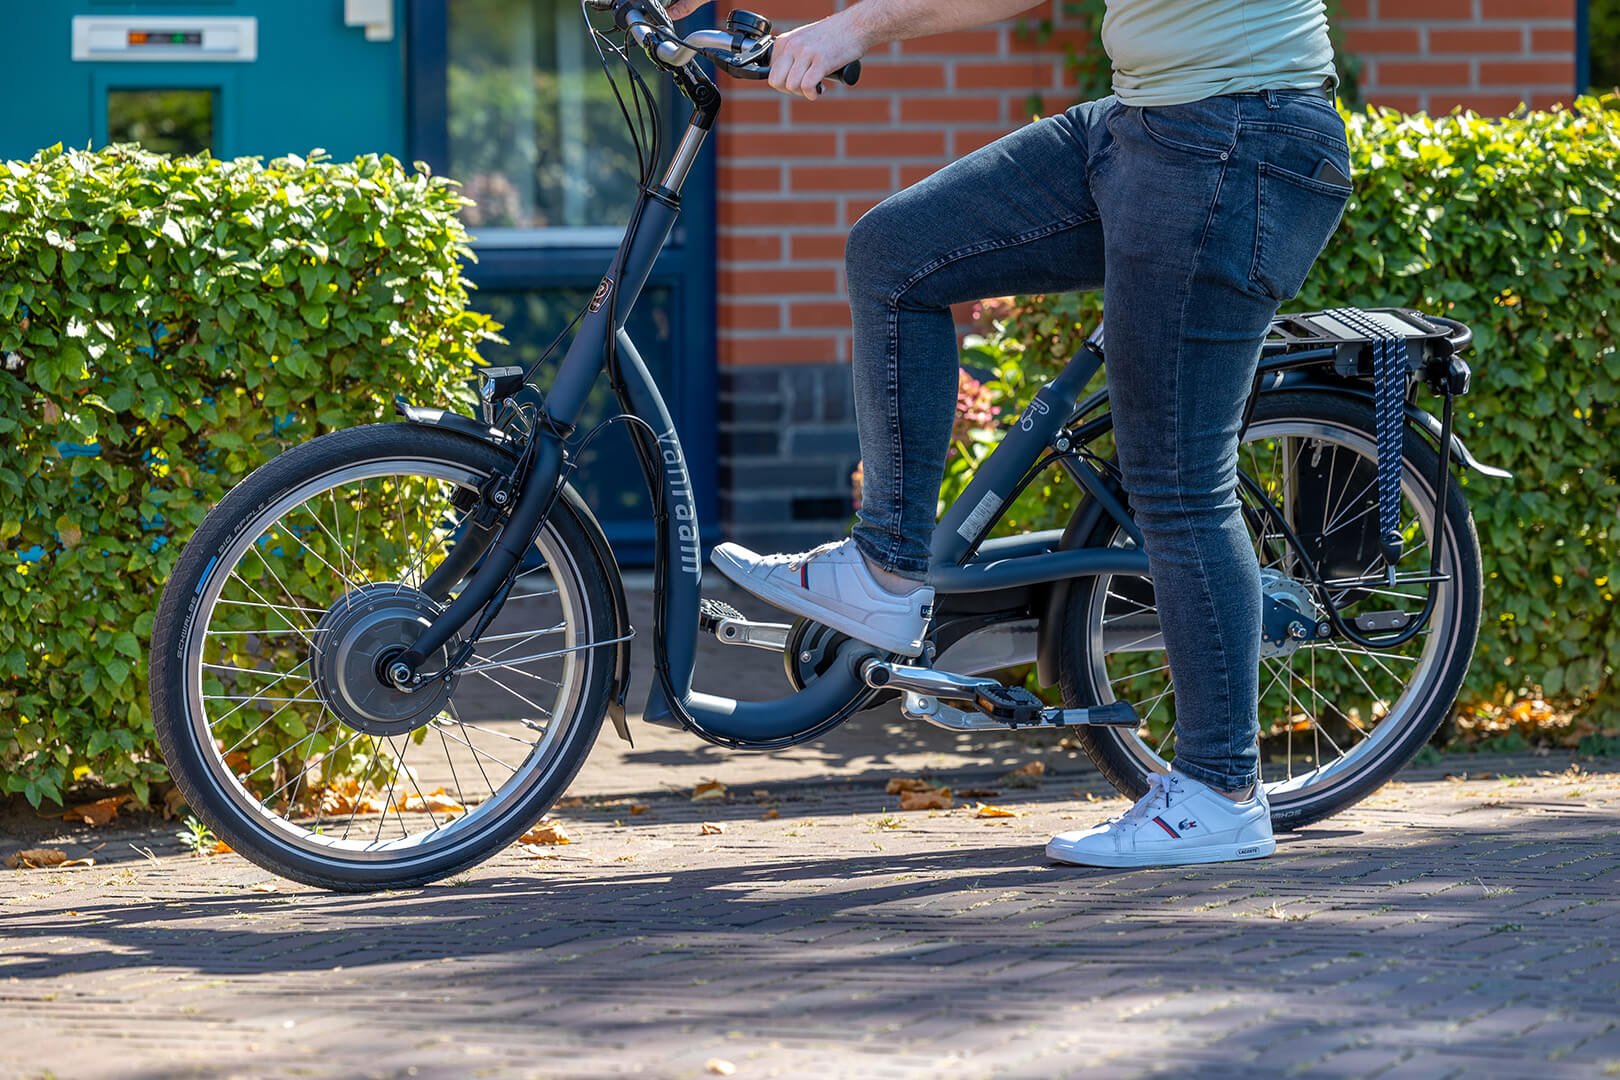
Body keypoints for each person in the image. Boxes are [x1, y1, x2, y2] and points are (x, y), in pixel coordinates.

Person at [672, 0, 1351, 867]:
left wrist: (853, 28)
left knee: (1177, 482)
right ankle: (887, 571)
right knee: (896, 254)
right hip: (1146, 120)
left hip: (1237, 135)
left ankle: (1222, 791)